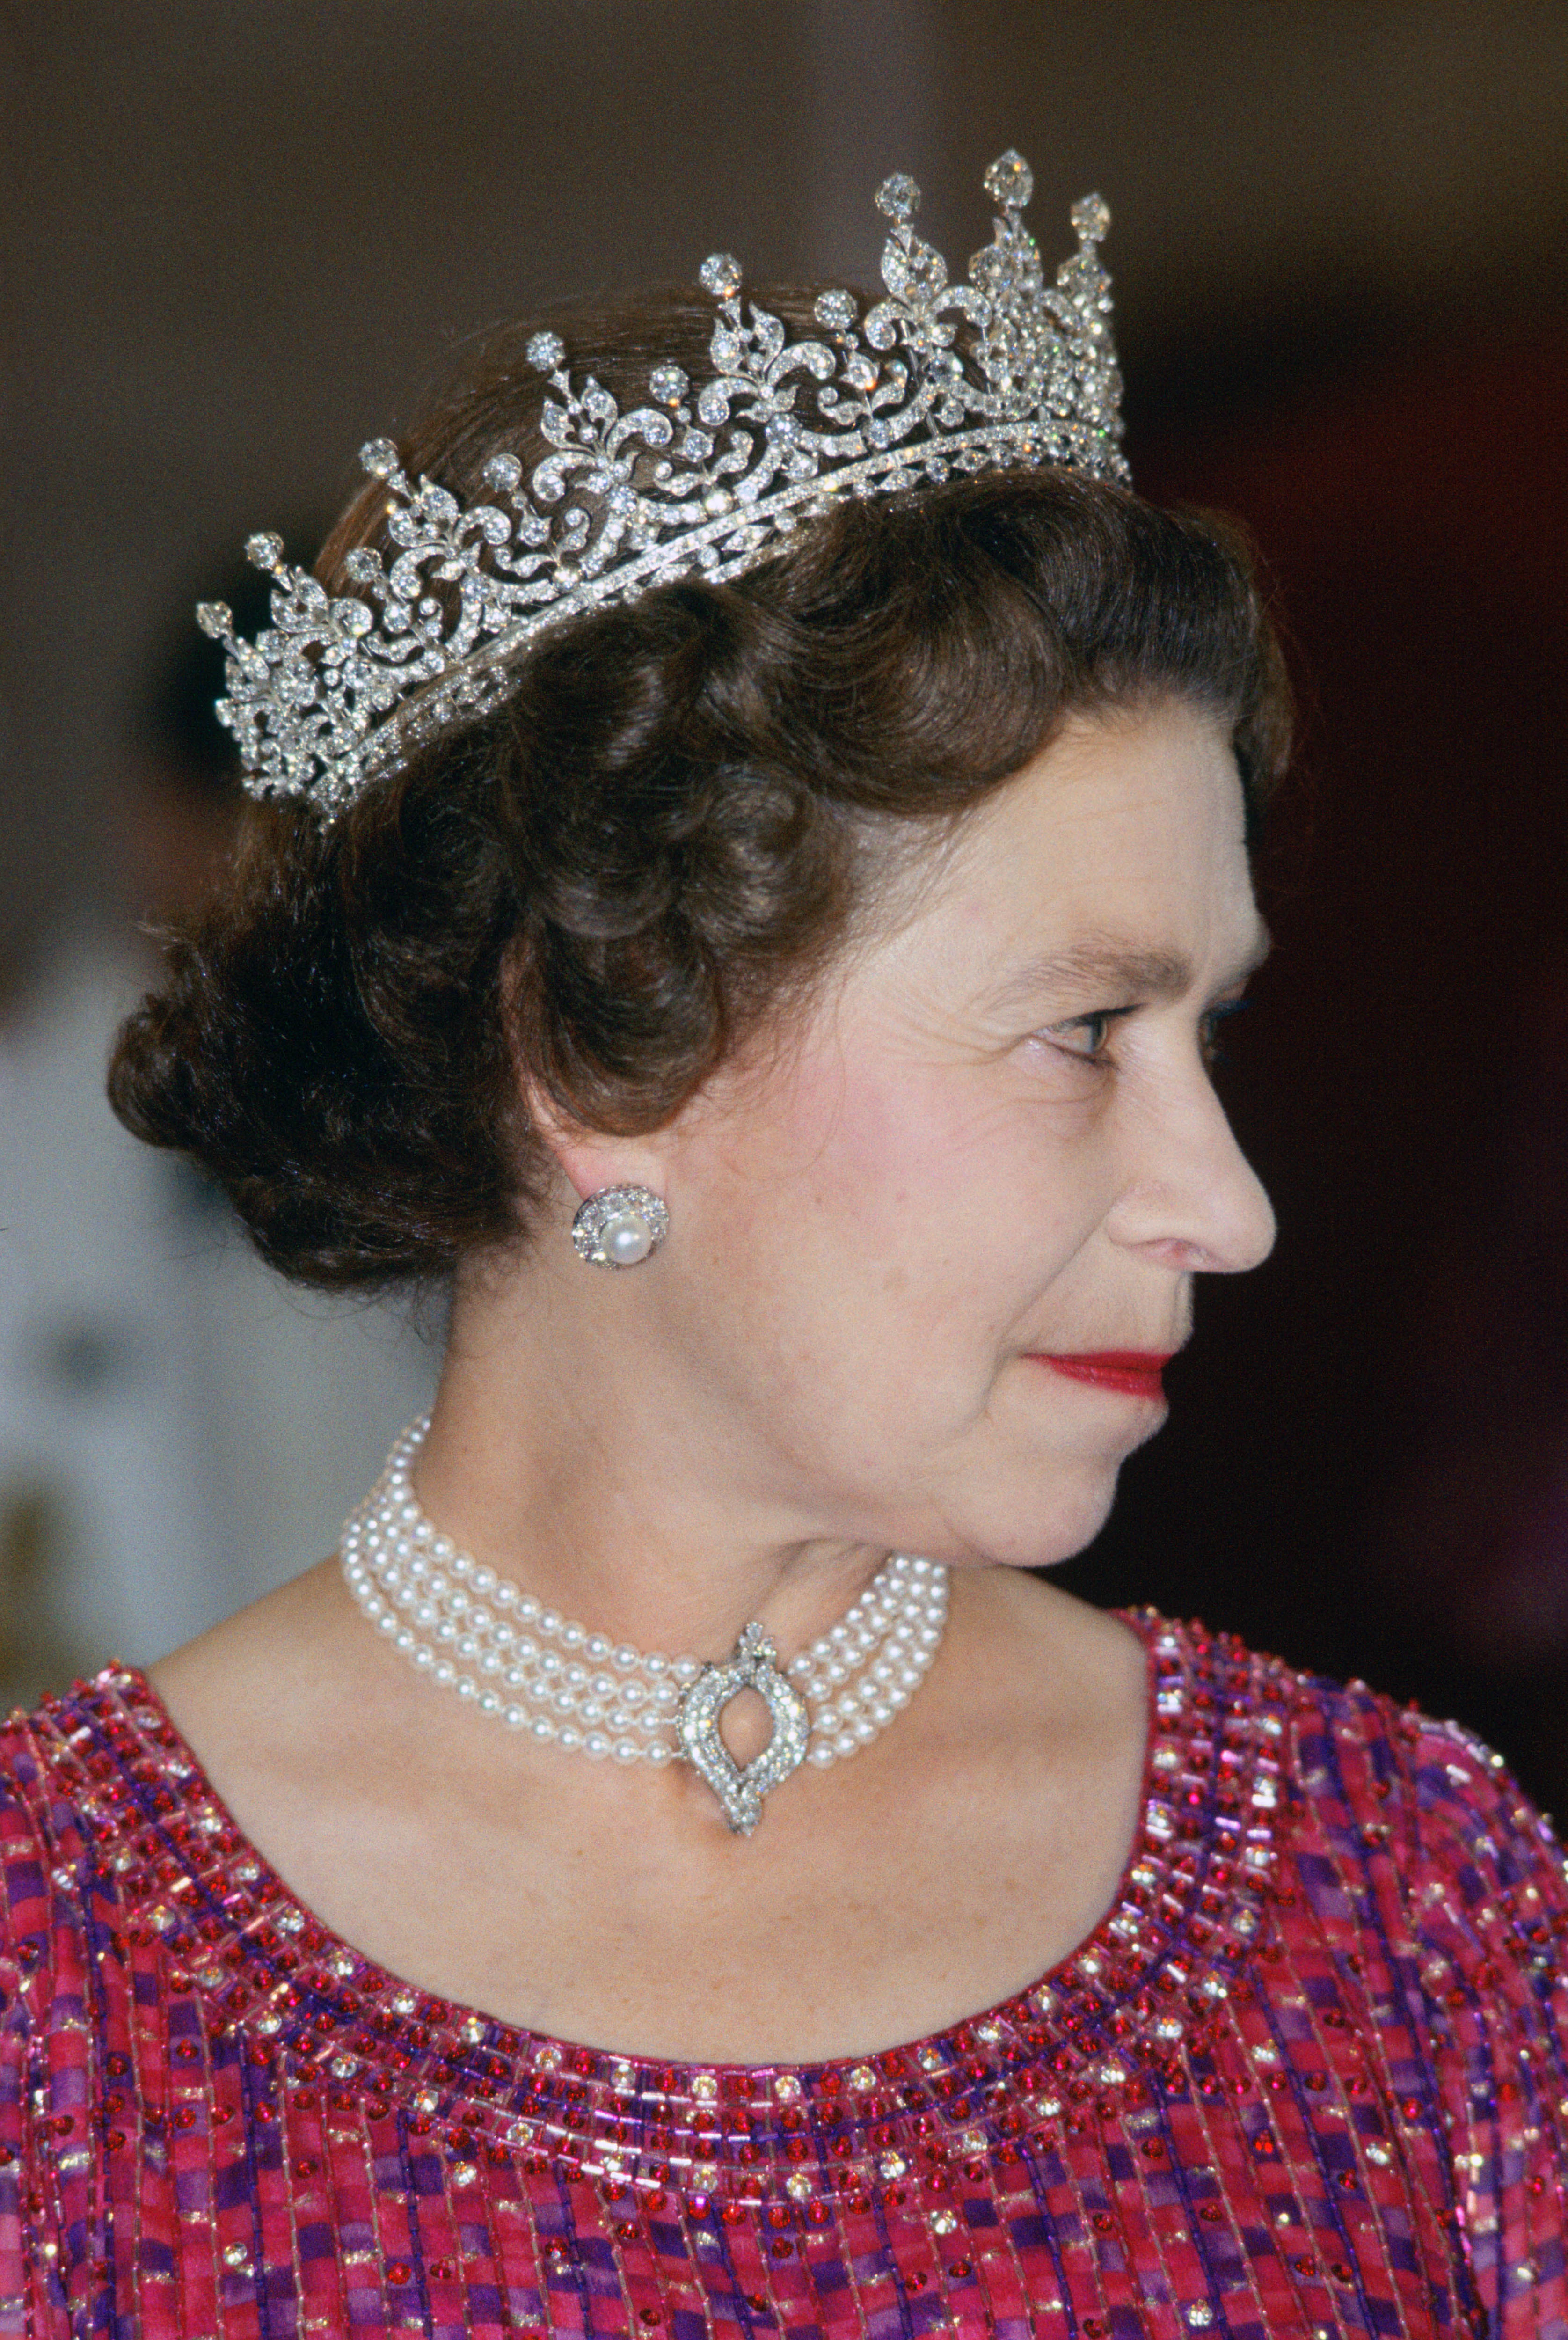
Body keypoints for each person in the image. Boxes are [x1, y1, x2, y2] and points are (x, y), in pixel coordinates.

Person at [2, 154, 1562, 2336]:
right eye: (1084, 1028)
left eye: (1208, 1024)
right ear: (602, 1048)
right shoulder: (53, 1985)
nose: (1227, 1200)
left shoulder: (1399, 1898)